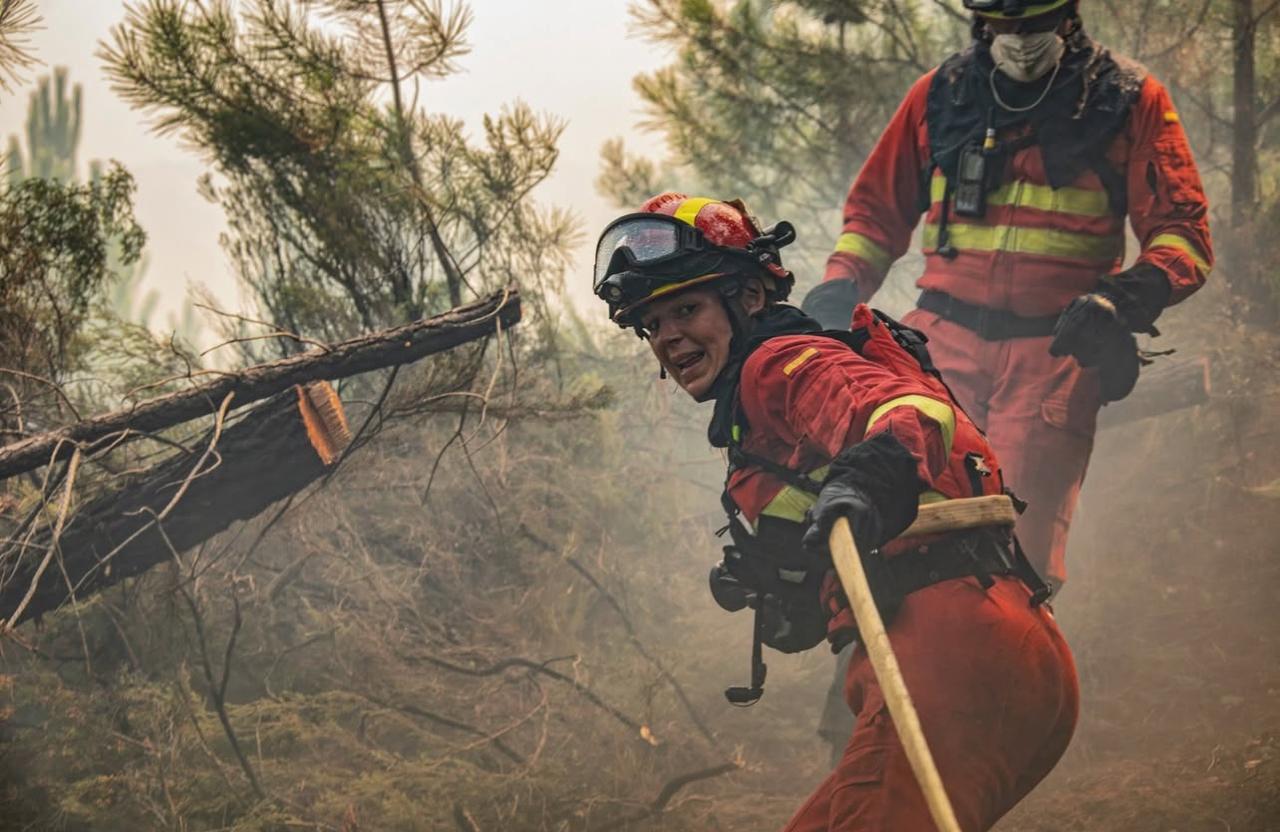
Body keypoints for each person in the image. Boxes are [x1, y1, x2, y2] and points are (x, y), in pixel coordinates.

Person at [593, 191, 1078, 830]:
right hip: (995, 650)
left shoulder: (779, 363)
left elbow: (910, 414)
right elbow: (842, 557)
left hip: (954, 655)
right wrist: (784, 580)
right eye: (652, 324)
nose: (669, 336)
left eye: (686, 308)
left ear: (750, 297)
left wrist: (868, 476)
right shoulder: (763, 427)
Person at [804, 0, 1213, 591]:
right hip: (938, 347)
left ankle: (1006, 665)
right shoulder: (939, 96)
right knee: (893, 523)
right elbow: (873, 215)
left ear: (1067, 15)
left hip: (1056, 353)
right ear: (981, 21)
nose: (1020, 38)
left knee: (1014, 558)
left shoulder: (1127, 100)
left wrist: (1121, 302)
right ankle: (871, 668)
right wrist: (841, 285)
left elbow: (1183, 231)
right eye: (1004, 25)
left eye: (1035, 24)